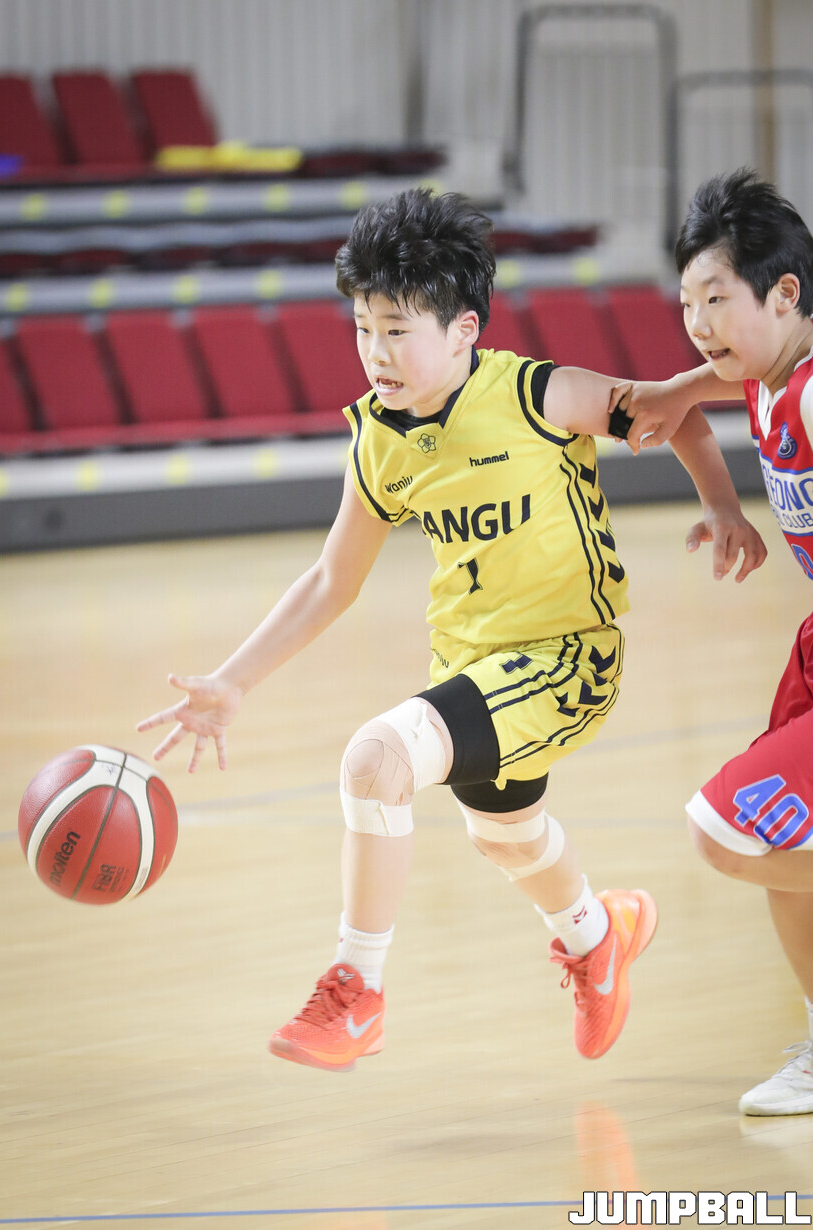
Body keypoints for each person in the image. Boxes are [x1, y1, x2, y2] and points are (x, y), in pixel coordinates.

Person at [137, 188, 764, 1073]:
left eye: (398, 330)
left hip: (566, 658)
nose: (376, 351)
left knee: (375, 761)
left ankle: (356, 991)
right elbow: (332, 578)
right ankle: (599, 934)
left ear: (465, 328)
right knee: (504, 834)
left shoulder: (538, 394)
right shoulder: (379, 442)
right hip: (470, 664)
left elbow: (675, 413)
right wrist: (233, 680)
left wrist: (724, 507)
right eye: (363, 327)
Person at [625, 167, 813, 1115]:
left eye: (716, 299)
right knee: (785, 847)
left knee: (724, 827)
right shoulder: (764, 370)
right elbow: (683, 400)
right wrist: (725, 509)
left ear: (784, 294)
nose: (699, 324)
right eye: (687, 302)